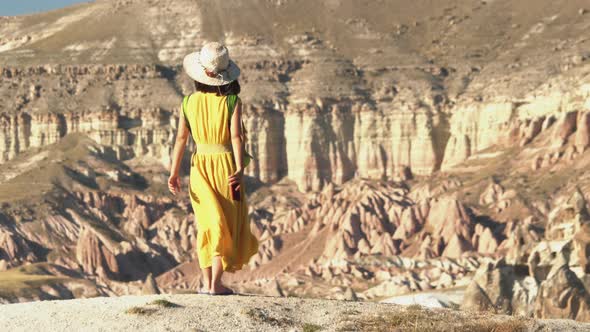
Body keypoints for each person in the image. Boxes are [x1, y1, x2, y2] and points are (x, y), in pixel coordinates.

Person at [167, 42, 259, 295]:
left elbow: (181, 140)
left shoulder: (188, 103)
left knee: (208, 224)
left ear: (201, 73)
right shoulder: (232, 102)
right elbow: (237, 137)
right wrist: (239, 169)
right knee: (226, 224)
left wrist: (174, 172)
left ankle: (209, 283)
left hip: (200, 168)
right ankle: (214, 285)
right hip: (227, 167)